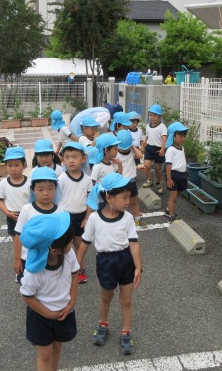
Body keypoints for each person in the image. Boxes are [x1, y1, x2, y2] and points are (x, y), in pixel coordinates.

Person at [76, 173, 142, 355]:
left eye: (129, 197)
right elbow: (84, 244)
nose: (128, 201)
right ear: (109, 197)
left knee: (126, 300)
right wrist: (77, 266)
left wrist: (138, 266)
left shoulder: (127, 218)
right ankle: (103, 324)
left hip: (125, 260)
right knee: (106, 296)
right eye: (124, 197)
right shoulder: (95, 219)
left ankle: (126, 331)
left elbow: (134, 243)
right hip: (105, 262)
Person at [19, 212, 79, 371]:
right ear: (53, 249)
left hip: (63, 311)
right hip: (41, 316)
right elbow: (27, 295)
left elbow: (75, 274)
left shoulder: (67, 254)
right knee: (45, 352)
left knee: (58, 346)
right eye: (69, 240)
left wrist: (71, 303)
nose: (72, 242)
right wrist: (47, 313)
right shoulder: (35, 271)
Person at [14, 167, 62, 284]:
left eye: (50, 189)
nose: (46, 193)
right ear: (33, 189)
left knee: (49, 288)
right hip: (29, 258)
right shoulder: (27, 210)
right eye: (40, 190)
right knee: (30, 288)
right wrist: (16, 259)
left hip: (52, 259)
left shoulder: (61, 211)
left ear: (56, 188)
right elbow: (18, 235)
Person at [58, 142, 93, 284]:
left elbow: (90, 201)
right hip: (65, 217)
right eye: (67, 157)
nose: (71, 160)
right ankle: (62, 270)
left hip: (81, 216)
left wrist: (87, 217)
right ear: (63, 160)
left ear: (83, 158)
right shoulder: (62, 179)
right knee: (64, 245)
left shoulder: (87, 180)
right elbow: (56, 200)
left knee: (79, 244)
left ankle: (79, 268)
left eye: (75, 157)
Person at [0, 146, 30, 239]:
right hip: (12, 216)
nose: (13, 169)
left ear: (24, 165)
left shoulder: (30, 182)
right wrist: (8, 213)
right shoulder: (3, 183)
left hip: (28, 215)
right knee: (16, 241)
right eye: (10, 165)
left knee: (31, 240)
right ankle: (18, 254)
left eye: (17, 165)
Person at [116, 130, 145, 226]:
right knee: (122, 203)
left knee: (133, 202)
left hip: (131, 181)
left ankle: (137, 218)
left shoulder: (131, 150)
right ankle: (121, 220)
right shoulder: (115, 153)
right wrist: (132, 145)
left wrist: (132, 146)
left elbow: (140, 155)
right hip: (120, 182)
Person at [165, 122, 190, 222]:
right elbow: (168, 164)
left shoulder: (182, 148)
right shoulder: (171, 149)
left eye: (184, 136)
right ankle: (171, 215)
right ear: (173, 136)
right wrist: (169, 178)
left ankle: (168, 209)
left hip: (181, 175)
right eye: (180, 136)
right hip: (173, 175)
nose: (183, 138)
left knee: (176, 195)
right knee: (173, 196)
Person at [142, 104, 168, 195]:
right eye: (150, 115)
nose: (152, 117)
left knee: (157, 169)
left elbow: (164, 137)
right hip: (149, 148)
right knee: (147, 165)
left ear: (160, 117)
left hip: (158, 149)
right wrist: (144, 145)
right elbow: (147, 136)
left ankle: (158, 183)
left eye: (154, 115)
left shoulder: (162, 127)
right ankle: (150, 180)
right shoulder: (148, 126)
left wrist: (162, 148)